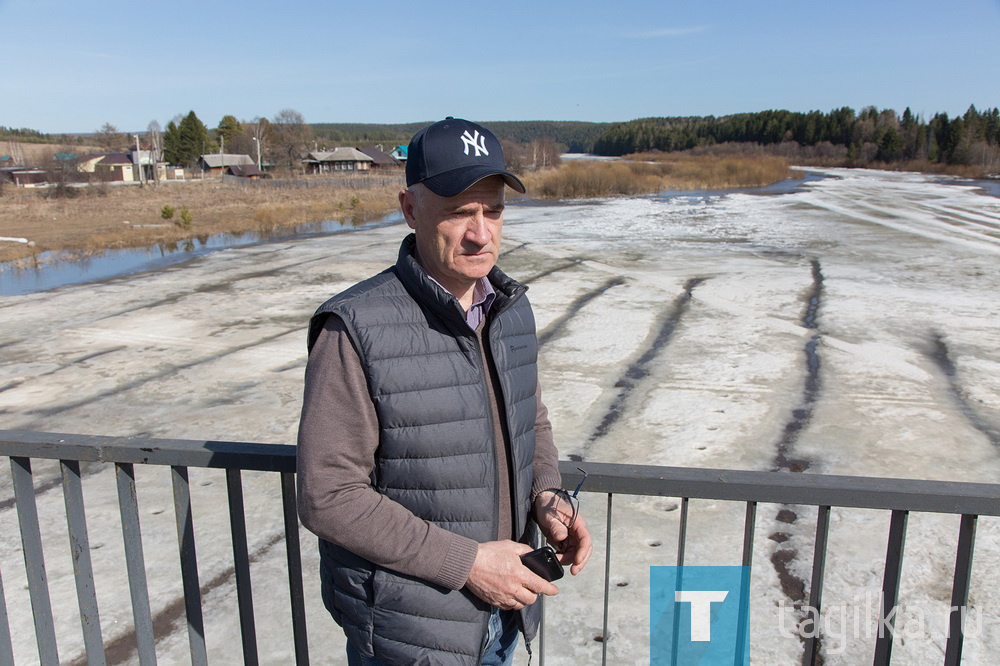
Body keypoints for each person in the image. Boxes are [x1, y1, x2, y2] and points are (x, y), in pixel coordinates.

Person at [297, 117, 592, 666]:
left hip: (504, 613)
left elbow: (532, 422)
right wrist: (470, 564)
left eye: (494, 210)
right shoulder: (354, 326)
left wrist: (548, 499)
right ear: (410, 209)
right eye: (459, 211)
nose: (481, 233)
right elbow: (328, 496)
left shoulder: (510, 309)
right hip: (410, 633)